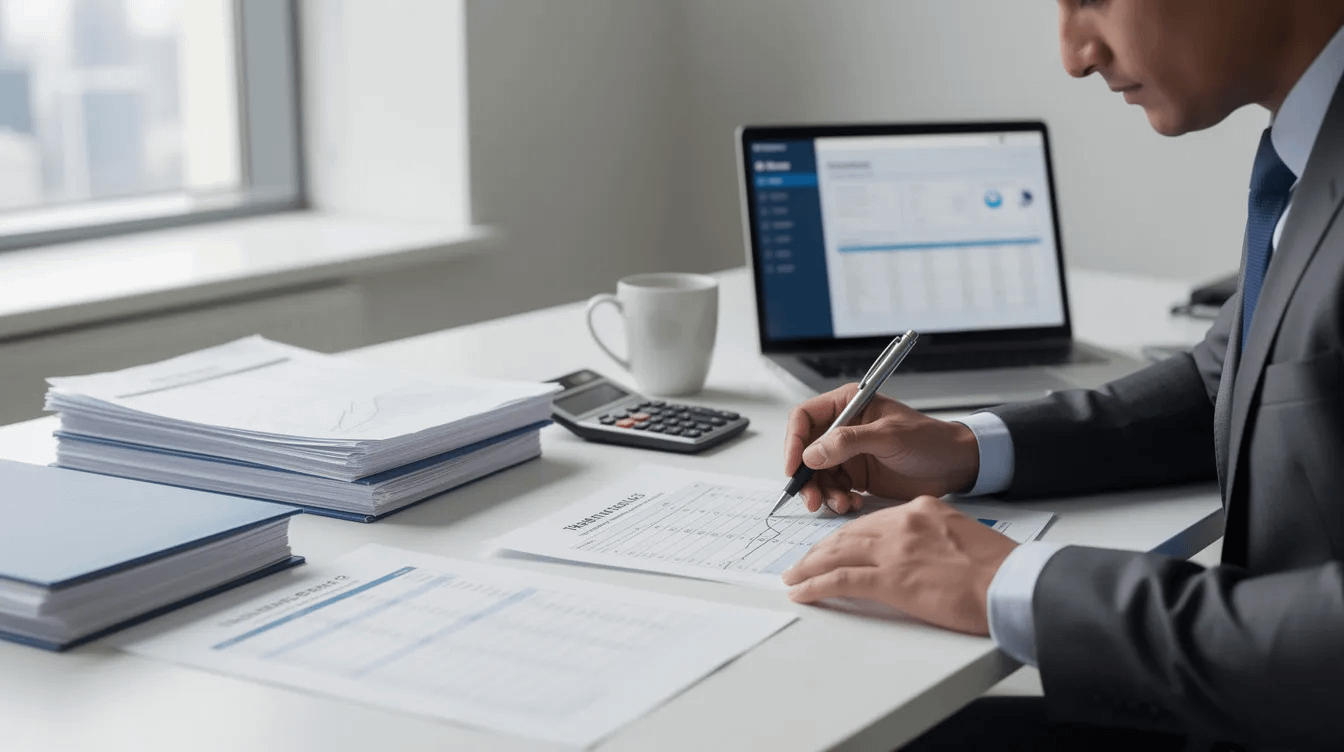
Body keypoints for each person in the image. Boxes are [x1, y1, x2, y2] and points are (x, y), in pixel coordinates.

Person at [779, 1, 1344, 749]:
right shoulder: (1311, 152)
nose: (1074, 54)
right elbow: (1227, 376)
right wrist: (964, 447)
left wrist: (1016, 584)